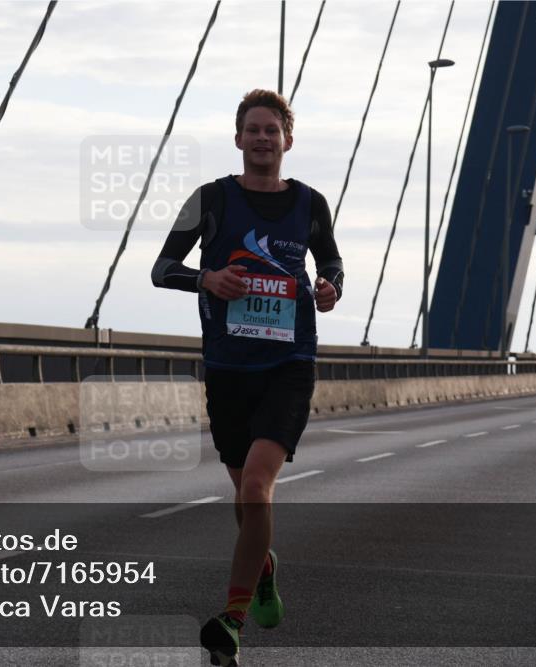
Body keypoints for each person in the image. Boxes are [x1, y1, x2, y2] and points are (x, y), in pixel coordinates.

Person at [151, 89, 343, 666]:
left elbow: (330, 261)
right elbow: (163, 269)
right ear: (238, 139)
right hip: (229, 369)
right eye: (252, 129)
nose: (262, 138)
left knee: (257, 488)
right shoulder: (209, 199)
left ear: (288, 140)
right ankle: (263, 568)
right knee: (244, 498)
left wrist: (331, 287)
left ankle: (231, 621)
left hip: (289, 364)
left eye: (272, 130)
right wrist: (207, 279)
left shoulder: (310, 203)